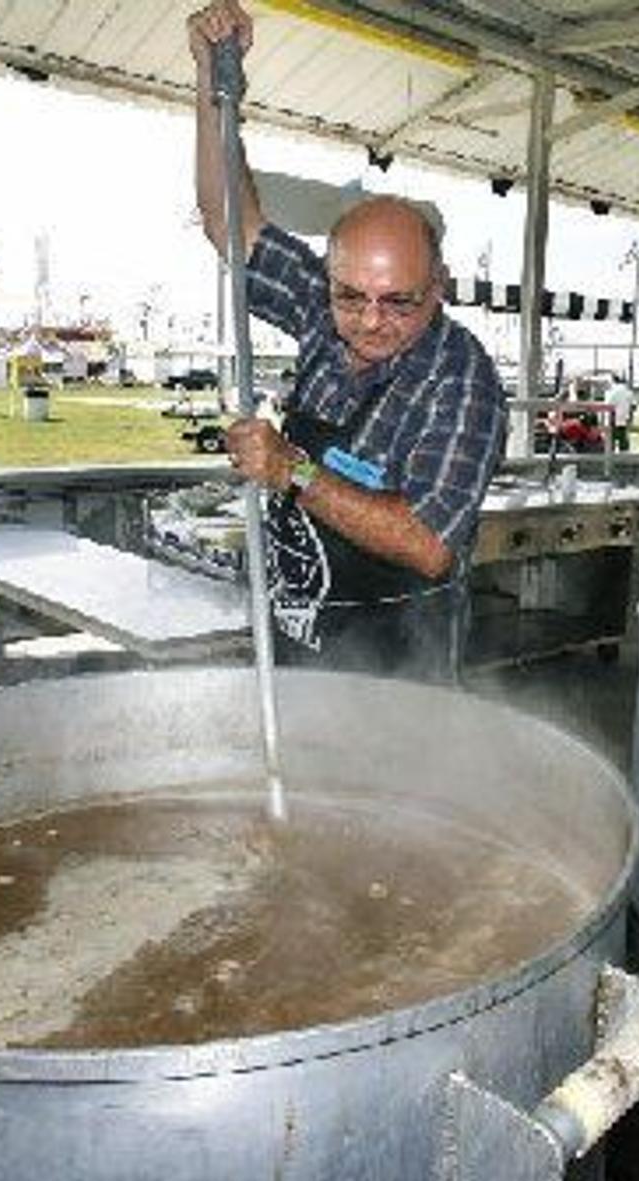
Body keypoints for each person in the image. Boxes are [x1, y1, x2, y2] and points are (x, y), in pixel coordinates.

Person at [188, 0, 506, 682]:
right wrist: (215, 86)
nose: (368, 321)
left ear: (440, 285)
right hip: (296, 653)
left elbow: (428, 544)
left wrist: (291, 470)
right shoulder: (319, 309)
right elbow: (229, 222)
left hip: (400, 681)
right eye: (350, 296)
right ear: (329, 279)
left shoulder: (460, 378)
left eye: (399, 302)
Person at [603, 373, 634, 452]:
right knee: (623, 441)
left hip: (612, 419)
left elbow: (607, 405)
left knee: (611, 442)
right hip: (623, 419)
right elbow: (633, 406)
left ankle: (611, 459)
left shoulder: (610, 391)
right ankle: (624, 460)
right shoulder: (627, 391)